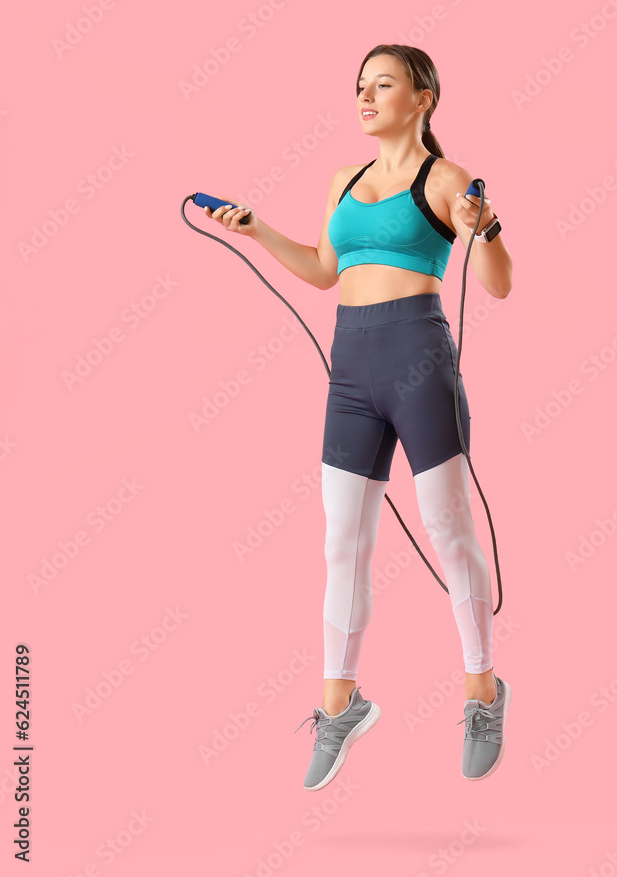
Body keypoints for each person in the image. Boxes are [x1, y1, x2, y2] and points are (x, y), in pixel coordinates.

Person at [204, 44, 513, 789]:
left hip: (419, 364)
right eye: (360, 87)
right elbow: (321, 268)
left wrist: (488, 226)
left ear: (424, 98)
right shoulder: (346, 180)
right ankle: (340, 702)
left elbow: (498, 285)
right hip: (351, 372)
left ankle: (482, 690)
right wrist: (256, 231)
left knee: (448, 528)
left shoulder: (445, 181)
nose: (366, 97)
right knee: (344, 538)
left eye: (383, 85)